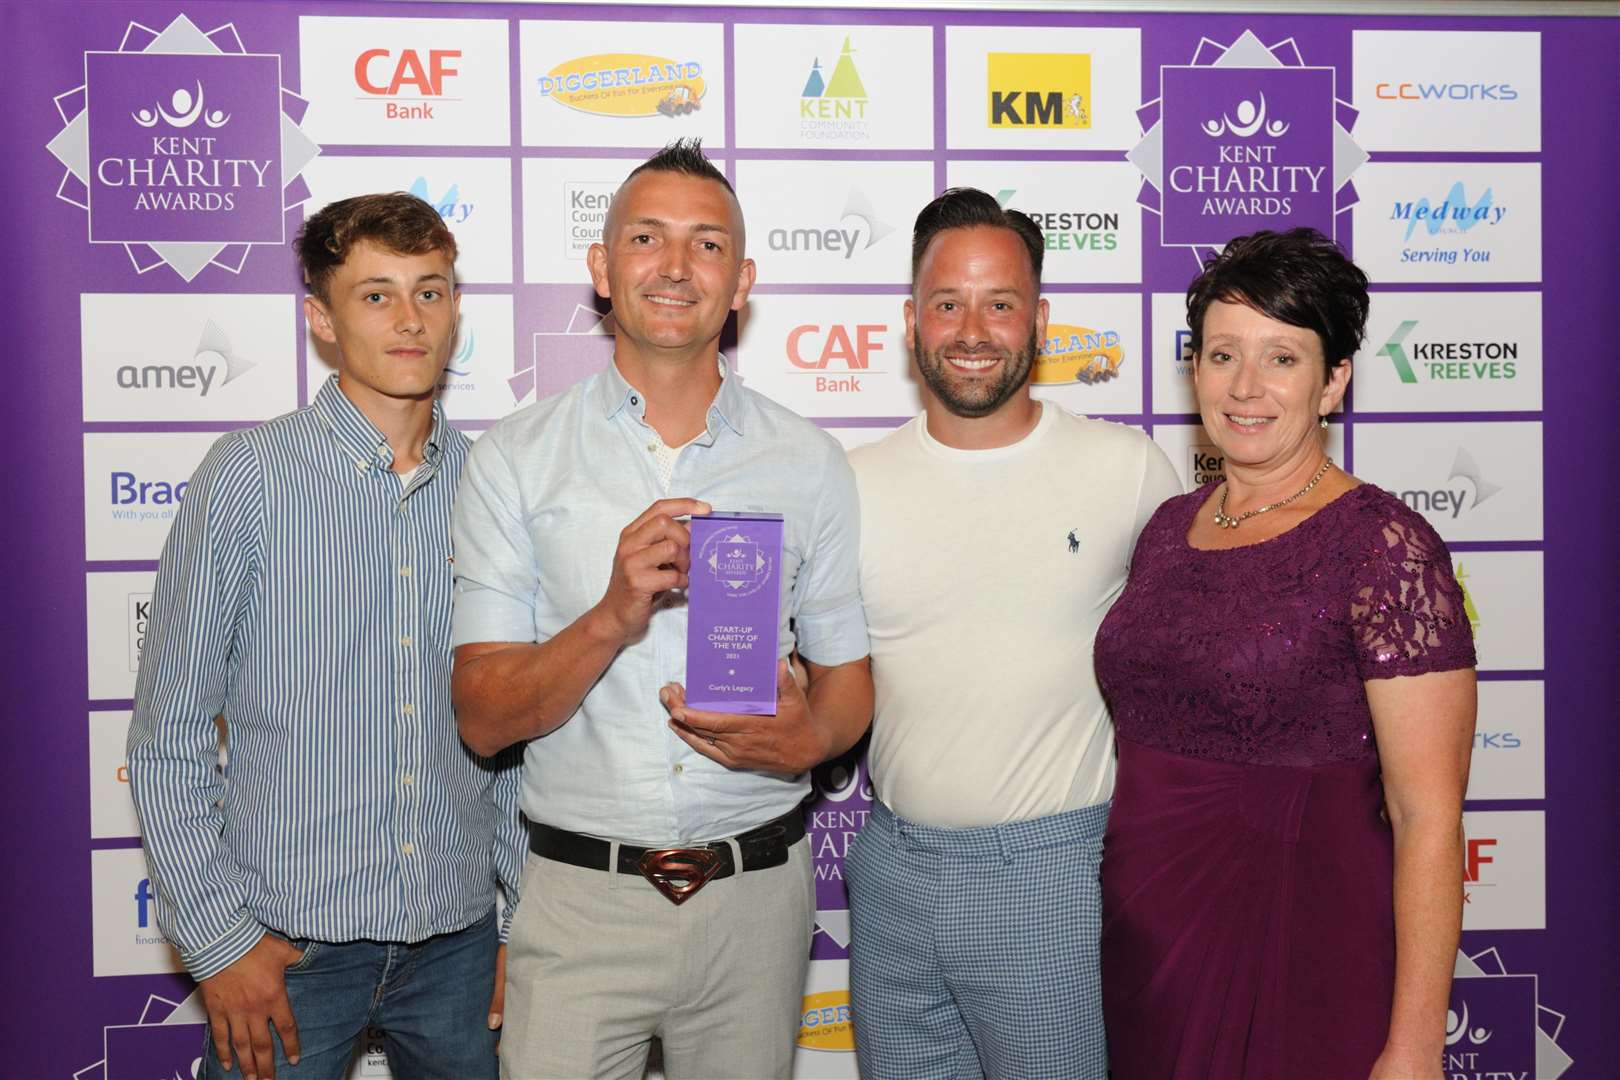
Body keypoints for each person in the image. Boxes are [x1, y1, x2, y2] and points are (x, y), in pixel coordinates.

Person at [450, 139, 873, 1080]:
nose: (676, 267)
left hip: (756, 900)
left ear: (742, 281)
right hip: (576, 902)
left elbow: (848, 694)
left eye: (707, 244)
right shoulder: (514, 459)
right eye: (646, 238)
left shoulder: (808, 463)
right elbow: (482, 717)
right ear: (602, 270)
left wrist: (803, 741)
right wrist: (611, 613)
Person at [127, 192, 522, 1080]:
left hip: (459, 944)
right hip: (289, 951)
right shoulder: (248, 477)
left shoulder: (493, 485)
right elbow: (167, 737)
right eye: (376, 295)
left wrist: (517, 923)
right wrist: (220, 942)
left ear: (457, 309)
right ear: (321, 318)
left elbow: (508, 736)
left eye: (431, 291)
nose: (411, 319)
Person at [1096, 228, 1477, 1079]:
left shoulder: (1384, 546)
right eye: (1223, 353)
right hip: (1143, 940)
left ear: (1334, 379)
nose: (1245, 387)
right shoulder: (1167, 529)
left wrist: (1414, 1049)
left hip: (1304, 941)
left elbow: (1429, 816)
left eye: (1282, 358)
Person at [842, 187, 1181, 1079]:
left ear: (1041, 318)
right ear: (911, 320)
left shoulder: (1128, 470)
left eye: (1000, 303)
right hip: (891, 873)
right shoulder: (849, 483)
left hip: (1055, 877)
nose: (972, 329)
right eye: (948, 303)